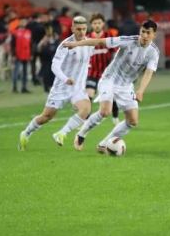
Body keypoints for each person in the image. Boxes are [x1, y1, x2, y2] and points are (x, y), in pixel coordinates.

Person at [63, 20, 159, 153]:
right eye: (143, 31)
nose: (144, 35)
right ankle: (81, 134)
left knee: (133, 121)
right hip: (110, 79)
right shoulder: (128, 41)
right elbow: (100, 42)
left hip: (126, 85)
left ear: (154, 35)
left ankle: (104, 144)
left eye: (148, 33)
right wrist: (76, 44)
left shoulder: (154, 52)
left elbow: (148, 73)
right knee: (105, 111)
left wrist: (141, 90)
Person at [19, 17, 95, 151]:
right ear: (72, 29)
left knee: (86, 109)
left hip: (77, 87)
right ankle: (26, 134)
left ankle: (62, 133)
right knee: (46, 117)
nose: (81, 32)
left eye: (84, 29)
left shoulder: (89, 42)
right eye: (78, 29)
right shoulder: (65, 45)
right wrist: (65, 79)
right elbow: (55, 66)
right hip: (62, 87)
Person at [85, 13, 120, 125]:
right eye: (94, 23)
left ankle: (115, 119)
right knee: (88, 95)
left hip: (107, 73)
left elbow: (115, 52)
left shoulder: (109, 37)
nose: (97, 25)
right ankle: (86, 122)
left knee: (113, 97)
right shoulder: (87, 38)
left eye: (99, 23)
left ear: (103, 24)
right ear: (91, 25)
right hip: (92, 72)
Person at [11, 17, 32, 93]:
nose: (23, 23)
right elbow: (12, 44)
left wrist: (31, 53)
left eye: (25, 21)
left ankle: (24, 87)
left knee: (25, 72)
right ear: (19, 22)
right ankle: (14, 87)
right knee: (16, 71)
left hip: (26, 54)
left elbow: (30, 44)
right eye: (22, 21)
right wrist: (13, 54)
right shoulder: (15, 32)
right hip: (18, 54)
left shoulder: (28, 32)